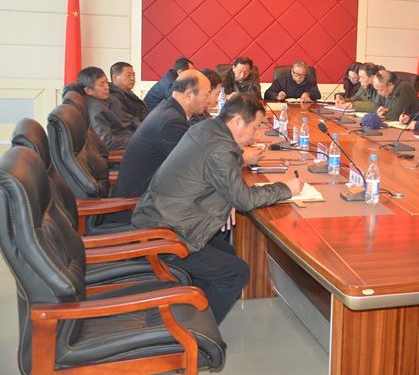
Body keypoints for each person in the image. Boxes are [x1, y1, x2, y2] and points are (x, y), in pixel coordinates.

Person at [132, 94, 304, 324]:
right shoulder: (221, 149)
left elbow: (216, 180)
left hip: (160, 219)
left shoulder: (207, 128)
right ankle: (198, 331)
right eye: (255, 127)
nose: (256, 135)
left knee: (226, 252)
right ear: (236, 121)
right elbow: (244, 199)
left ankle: (191, 310)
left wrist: (227, 198)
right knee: (236, 272)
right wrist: (286, 189)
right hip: (167, 237)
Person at [113, 70, 212, 201]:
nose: (209, 101)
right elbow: (195, 165)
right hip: (138, 203)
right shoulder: (171, 122)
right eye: (206, 95)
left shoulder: (169, 110)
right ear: (188, 95)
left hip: (151, 193)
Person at [77, 66, 140, 151]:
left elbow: (127, 117)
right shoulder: (96, 110)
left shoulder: (107, 97)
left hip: (133, 135)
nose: (107, 87)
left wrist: (144, 130)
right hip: (126, 146)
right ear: (88, 90)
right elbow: (107, 142)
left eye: (106, 82)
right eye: (102, 84)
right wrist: (137, 141)